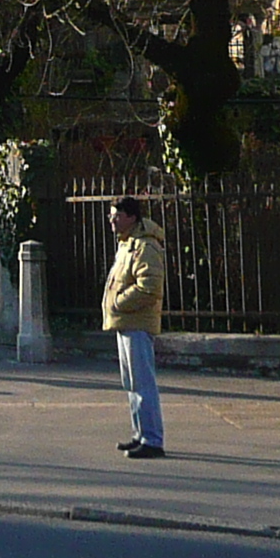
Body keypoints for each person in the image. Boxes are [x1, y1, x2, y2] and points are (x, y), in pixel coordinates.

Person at [102, 196, 167, 459]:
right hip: (126, 321)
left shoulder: (144, 246)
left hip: (137, 323)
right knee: (131, 382)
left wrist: (118, 302)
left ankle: (152, 439)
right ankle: (139, 433)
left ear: (131, 217)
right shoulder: (127, 244)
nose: (112, 220)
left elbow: (149, 287)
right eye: (111, 215)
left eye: (117, 215)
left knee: (143, 383)